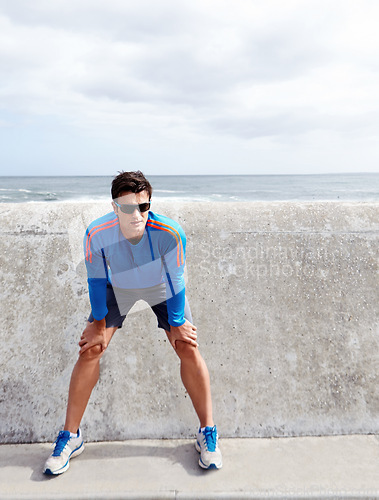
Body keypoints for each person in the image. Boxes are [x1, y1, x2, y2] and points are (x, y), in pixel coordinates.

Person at [44, 170, 222, 475]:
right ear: (115, 207)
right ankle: (71, 437)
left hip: (162, 286)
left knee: (186, 345)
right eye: (128, 208)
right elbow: (96, 281)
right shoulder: (96, 233)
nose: (136, 214)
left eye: (143, 206)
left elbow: (176, 279)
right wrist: (99, 324)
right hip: (119, 286)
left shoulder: (170, 233)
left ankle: (208, 433)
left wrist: (177, 322)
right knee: (91, 349)